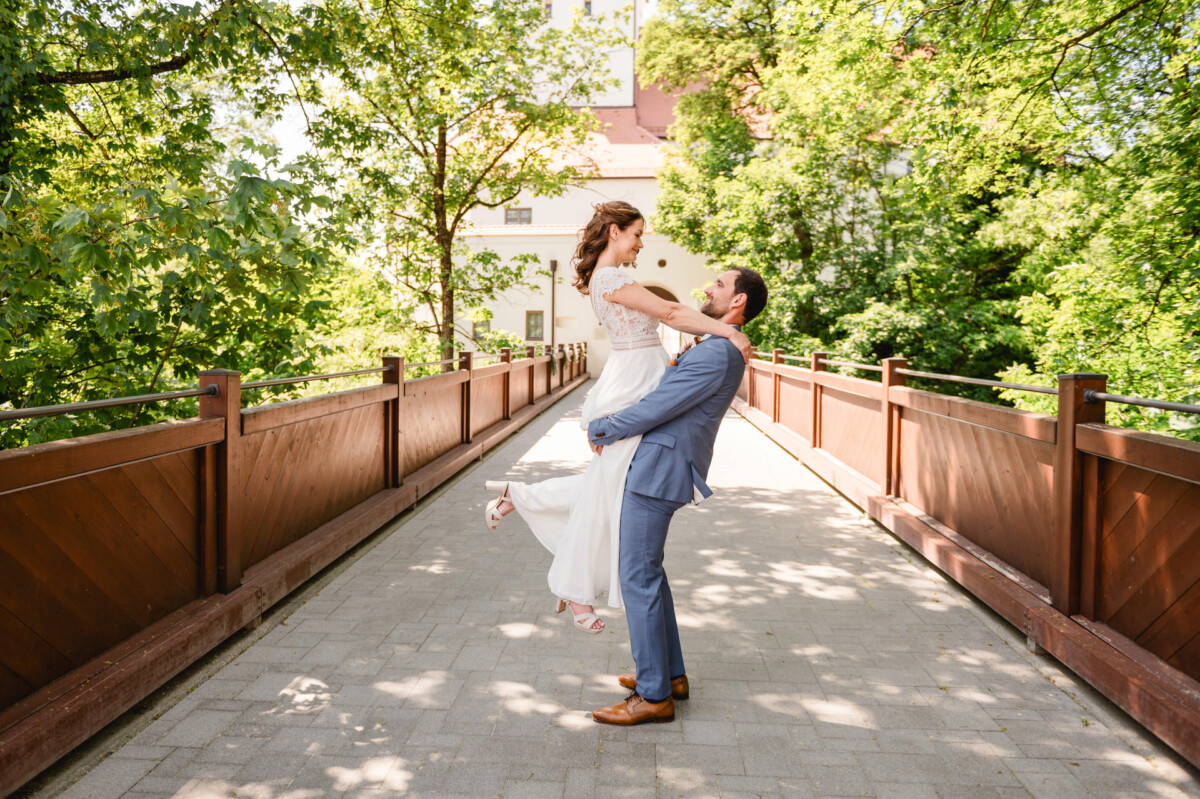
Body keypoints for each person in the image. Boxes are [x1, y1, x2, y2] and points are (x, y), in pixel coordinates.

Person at [483, 201, 752, 634]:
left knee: (606, 485)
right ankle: (574, 589)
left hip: (641, 376)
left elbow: (669, 316)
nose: (641, 243)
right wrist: (728, 331)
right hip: (631, 383)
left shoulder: (609, 277)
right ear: (613, 231)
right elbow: (669, 313)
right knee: (606, 488)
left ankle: (529, 512)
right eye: (637, 234)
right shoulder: (609, 277)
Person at [587, 266, 768, 725]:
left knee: (637, 578)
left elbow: (658, 406)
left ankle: (653, 697)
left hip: (658, 470)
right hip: (662, 467)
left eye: (720, 285)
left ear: (738, 301)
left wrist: (604, 426)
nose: (708, 287)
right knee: (649, 573)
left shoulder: (717, 354)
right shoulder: (718, 346)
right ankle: (670, 675)